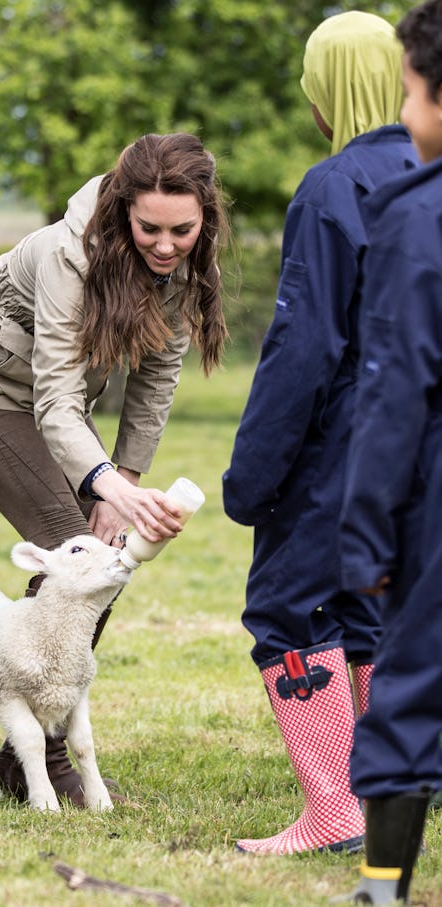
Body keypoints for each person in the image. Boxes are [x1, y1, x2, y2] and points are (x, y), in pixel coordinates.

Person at [0, 132, 230, 805]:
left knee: (105, 556)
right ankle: (38, 749)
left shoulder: (182, 264)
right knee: (77, 545)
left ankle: (23, 738)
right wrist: (105, 487)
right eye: (149, 227)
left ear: (205, 216)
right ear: (124, 210)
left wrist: (126, 476)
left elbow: (157, 375)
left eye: (183, 229)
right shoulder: (72, 255)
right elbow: (55, 397)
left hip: (50, 400)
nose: (165, 244)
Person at [221, 11, 418, 854]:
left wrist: (253, 473)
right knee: (368, 610)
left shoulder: (334, 185)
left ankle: (335, 809)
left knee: (289, 609)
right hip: (416, 440)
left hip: (341, 440)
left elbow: (304, 347)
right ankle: (395, 786)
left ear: (327, 86)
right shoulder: (428, 171)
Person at [338, 1, 442, 902]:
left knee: (408, 685)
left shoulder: (419, 217)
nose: (406, 116)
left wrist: (367, 536)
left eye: (411, 92)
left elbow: (396, 391)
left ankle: (381, 888)